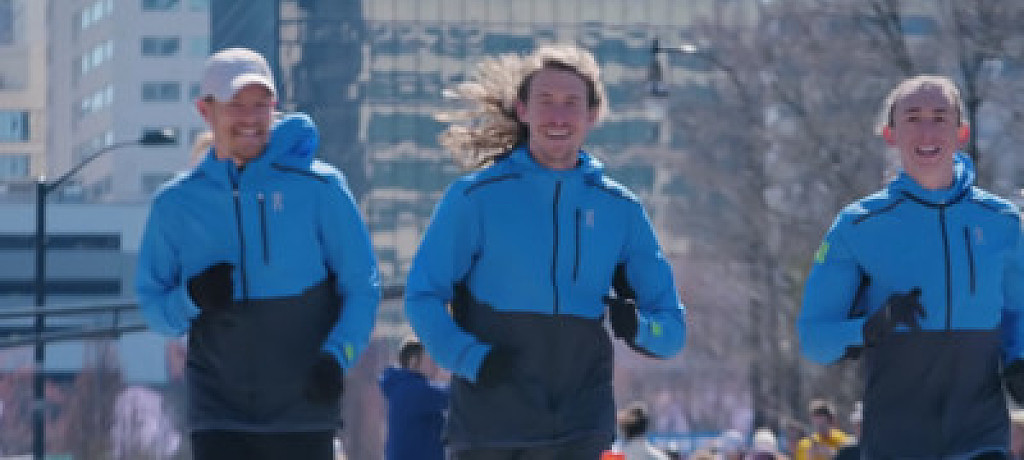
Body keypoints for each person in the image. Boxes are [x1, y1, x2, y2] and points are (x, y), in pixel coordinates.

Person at [404, 45, 687, 459]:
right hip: (491, 427)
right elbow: (422, 295)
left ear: (593, 115)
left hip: (580, 429)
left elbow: (672, 329)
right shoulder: (475, 198)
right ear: (523, 110)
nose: (558, 116)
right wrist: (468, 358)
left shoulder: (619, 210)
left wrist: (639, 328)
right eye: (545, 101)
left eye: (571, 103)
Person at [135, 47, 381, 460]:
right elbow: (154, 309)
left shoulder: (320, 188)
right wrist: (192, 297)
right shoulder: (175, 205)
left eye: (261, 104)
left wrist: (339, 357)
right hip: (219, 416)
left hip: (304, 409)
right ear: (205, 110)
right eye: (236, 105)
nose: (250, 118)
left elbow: (362, 286)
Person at [797, 74, 1024, 459]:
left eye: (940, 118)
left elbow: (1018, 313)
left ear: (962, 132)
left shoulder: (1002, 221)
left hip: (979, 435)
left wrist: (1018, 359)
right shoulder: (858, 226)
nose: (927, 131)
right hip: (897, 440)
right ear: (890, 134)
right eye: (913, 118)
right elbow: (814, 339)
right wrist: (871, 326)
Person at [379, 335, 451, 460]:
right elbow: (452, 395)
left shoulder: (401, 387)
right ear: (413, 361)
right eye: (430, 358)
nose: (435, 364)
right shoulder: (413, 390)